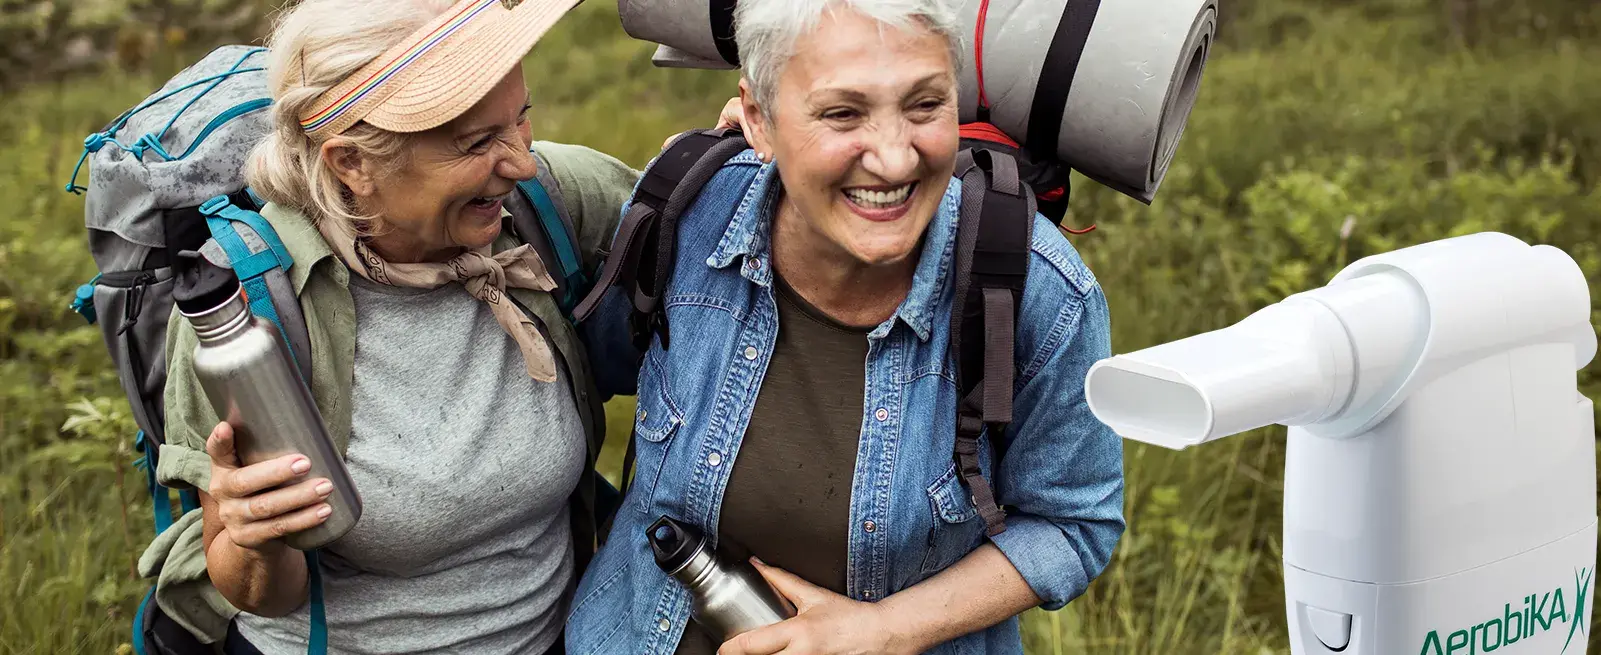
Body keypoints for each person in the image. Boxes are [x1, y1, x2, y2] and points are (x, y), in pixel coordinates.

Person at [149, 0, 733, 652]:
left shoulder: (545, 206)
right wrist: (252, 537)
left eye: (521, 119)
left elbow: (735, 241)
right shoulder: (249, 303)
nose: (521, 162)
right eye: (477, 142)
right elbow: (261, 590)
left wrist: (756, 151)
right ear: (352, 164)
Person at [566, 1, 1125, 653]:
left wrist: (886, 629)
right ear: (757, 119)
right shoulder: (687, 216)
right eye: (842, 113)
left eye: (923, 105)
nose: (892, 160)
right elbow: (588, 382)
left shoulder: (1037, 289)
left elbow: (1072, 522)